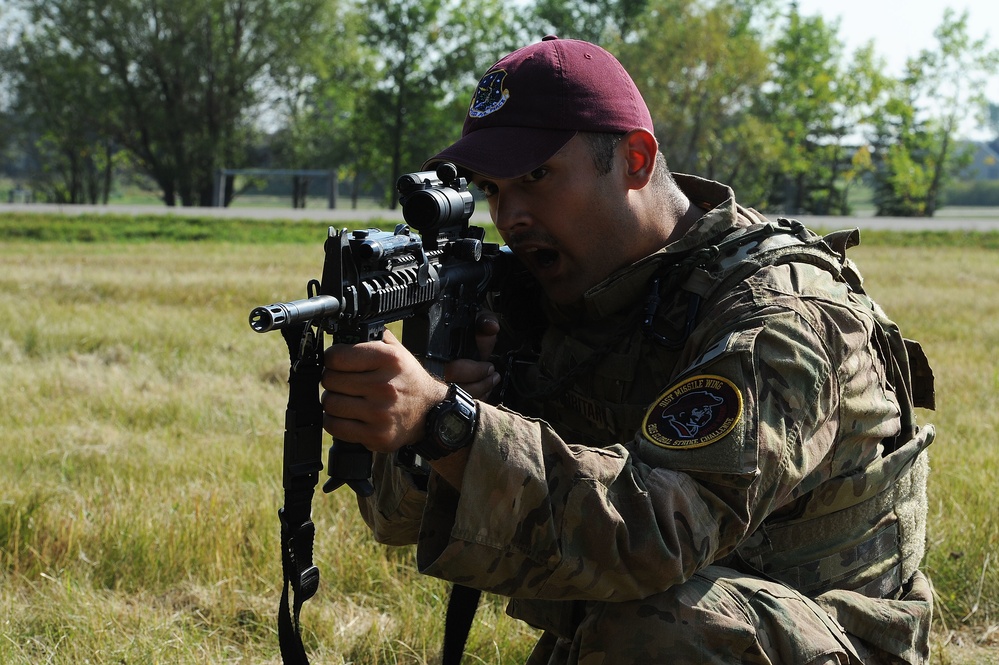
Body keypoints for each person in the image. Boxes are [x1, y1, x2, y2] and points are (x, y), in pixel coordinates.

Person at [320, 36, 936, 664]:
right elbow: (398, 524)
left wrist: (448, 424)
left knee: (656, 630)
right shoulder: (574, 292)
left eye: (536, 177)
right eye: (494, 189)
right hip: (673, 617)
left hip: (830, 634)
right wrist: (436, 421)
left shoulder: (773, 318)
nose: (510, 215)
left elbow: (657, 535)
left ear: (636, 160)